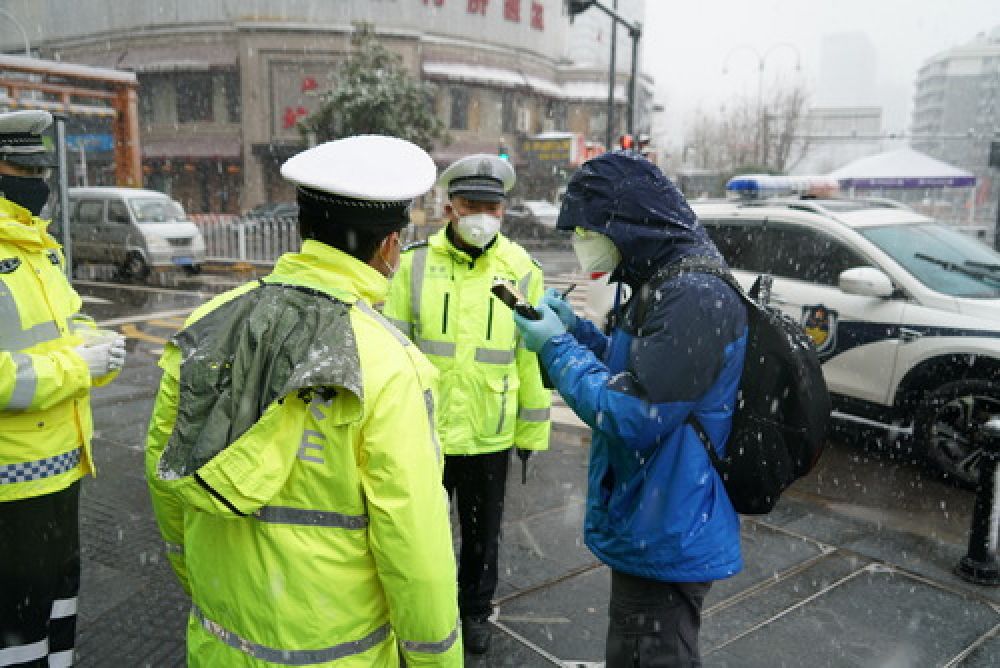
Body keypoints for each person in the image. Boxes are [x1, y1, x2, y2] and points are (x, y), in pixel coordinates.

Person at [144, 135, 462, 667]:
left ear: (303, 229)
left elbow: (166, 473)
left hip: (220, 645)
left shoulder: (208, 327)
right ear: (390, 246)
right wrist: (436, 660)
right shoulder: (389, 363)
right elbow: (415, 544)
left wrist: (199, 582)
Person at [512, 151, 747, 666]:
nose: (580, 242)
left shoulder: (692, 296)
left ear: (626, 225)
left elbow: (633, 413)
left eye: (586, 230)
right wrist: (575, 331)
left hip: (667, 525)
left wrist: (555, 347)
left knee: (649, 653)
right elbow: (638, 373)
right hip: (653, 514)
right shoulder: (665, 281)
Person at [384, 153, 551, 655]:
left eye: (491, 208)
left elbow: (529, 356)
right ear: (449, 208)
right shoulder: (413, 265)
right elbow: (391, 349)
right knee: (418, 534)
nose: (482, 216)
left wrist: (531, 431)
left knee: (482, 537)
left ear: (503, 211)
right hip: (425, 432)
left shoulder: (521, 269)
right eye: (471, 205)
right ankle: (420, 611)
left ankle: (474, 611)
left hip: (488, 433)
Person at [0, 110, 126, 667]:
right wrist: (78, 367)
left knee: (58, 600)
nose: (38, 182)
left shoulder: (39, 247)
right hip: (11, 480)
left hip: (64, 465)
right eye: (22, 169)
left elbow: (68, 322)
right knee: (17, 620)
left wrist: (99, 345)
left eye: (40, 170)